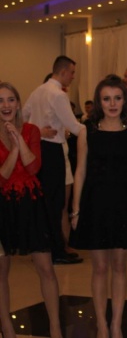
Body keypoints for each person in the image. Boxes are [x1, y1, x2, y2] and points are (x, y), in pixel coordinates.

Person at [69, 76, 127, 338]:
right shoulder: (87, 131)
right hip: (94, 203)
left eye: (117, 98)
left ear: (124, 101)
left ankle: (116, 325)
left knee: (120, 266)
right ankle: (101, 324)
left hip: (123, 203)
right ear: (99, 102)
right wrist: (75, 209)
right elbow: (80, 171)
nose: (112, 104)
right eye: (107, 99)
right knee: (99, 267)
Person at [0, 82, 63, 338]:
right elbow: (2, 176)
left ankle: (55, 327)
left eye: (10, 99)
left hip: (31, 203)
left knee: (46, 267)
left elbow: (33, 168)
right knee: (1, 272)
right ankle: (7, 329)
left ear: (18, 103)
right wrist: (14, 148)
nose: (6, 105)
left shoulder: (32, 130)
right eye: (0, 101)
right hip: (3, 206)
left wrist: (19, 139)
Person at [22, 56, 84, 265]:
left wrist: (37, 131)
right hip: (52, 151)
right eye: (72, 73)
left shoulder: (37, 91)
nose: (73, 77)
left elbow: (23, 118)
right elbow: (74, 126)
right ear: (64, 72)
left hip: (39, 150)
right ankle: (56, 250)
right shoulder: (58, 94)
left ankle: (47, 248)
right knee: (55, 204)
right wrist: (96, 132)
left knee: (46, 202)